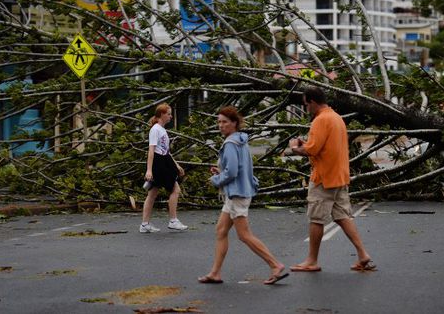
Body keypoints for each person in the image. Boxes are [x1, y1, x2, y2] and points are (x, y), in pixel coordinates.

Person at [197, 106, 288, 285]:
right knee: (221, 230)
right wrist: (221, 170)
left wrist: (216, 179)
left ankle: (275, 264)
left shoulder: (231, 143)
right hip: (237, 192)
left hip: (237, 193)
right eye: (219, 122)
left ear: (235, 123)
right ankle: (215, 273)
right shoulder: (240, 140)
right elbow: (238, 168)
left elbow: (231, 172)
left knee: (244, 235)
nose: (221, 125)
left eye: (225, 122)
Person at [288, 87, 375, 272]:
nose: (306, 109)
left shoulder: (320, 120)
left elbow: (311, 150)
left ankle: (311, 260)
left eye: (306, 105)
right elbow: (322, 145)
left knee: (316, 218)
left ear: (312, 102)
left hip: (324, 177)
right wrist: (307, 144)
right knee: (342, 216)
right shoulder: (336, 117)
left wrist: (295, 148)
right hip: (339, 175)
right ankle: (362, 254)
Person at [140, 103, 188, 232]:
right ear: (161, 114)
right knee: (175, 189)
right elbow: (151, 150)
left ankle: (144, 224)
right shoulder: (155, 129)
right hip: (159, 162)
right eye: (169, 114)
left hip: (165, 159)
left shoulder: (162, 129)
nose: (171, 116)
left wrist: (176, 164)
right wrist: (149, 170)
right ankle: (173, 220)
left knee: (152, 193)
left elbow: (166, 150)